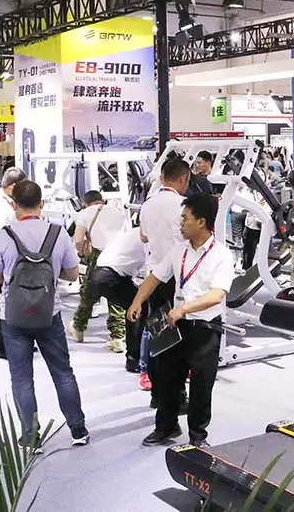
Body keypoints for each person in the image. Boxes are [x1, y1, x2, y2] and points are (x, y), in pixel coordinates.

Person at [127, 193, 235, 448]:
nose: (181, 223)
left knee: (201, 385)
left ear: (201, 222)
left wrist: (183, 309)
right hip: (176, 327)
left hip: (205, 330)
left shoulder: (221, 255)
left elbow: (216, 295)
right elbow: (155, 277)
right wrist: (137, 301)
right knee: (167, 380)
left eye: (185, 218)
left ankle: (198, 435)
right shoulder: (178, 251)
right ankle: (166, 427)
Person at [0, 180, 88, 448]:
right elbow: (72, 274)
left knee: (22, 378)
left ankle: (31, 436)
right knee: (63, 373)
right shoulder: (58, 233)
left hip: (13, 317)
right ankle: (78, 429)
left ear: (14, 204)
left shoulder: (4, 236)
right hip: (49, 314)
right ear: (41, 203)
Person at [139, 158, 191, 405]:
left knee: (157, 334)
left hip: (154, 277)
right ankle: (176, 397)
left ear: (162, 178)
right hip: (177, 278)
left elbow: (144, 236)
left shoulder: (147, 204)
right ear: (182, 179)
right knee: (177, 339)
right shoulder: (183, 205)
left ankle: (157, 394)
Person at [68, 190, 129, 351]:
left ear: (85, 203)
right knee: (116, 294)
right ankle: (118, 337)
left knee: (89, 292)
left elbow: (78, 239)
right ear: (102, 200)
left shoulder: (85, 213)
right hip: (118, 255)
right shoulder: (118, 212)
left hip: (99, 256)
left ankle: (79, 328)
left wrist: (81, 253)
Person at [88, 228, 148, 377]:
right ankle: (134, 358)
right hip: (111, 276)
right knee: (139, 308)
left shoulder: (135, 233)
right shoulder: (147, 238)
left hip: (102, 274)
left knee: (135, 307)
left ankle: (133, 358)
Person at [0, 167, 28, 359]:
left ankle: (12, 342)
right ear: (13, 185)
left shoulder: (5, 202)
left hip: (11, 261)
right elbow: (1, 238)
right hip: (4, 262)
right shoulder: (1, 209)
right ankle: (2, 346)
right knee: (0, 304)